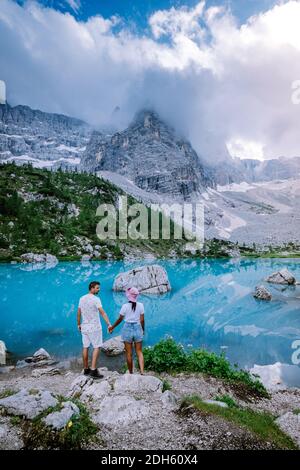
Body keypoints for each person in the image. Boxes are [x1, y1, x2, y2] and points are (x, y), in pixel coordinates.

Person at [77, 281, 112, 379]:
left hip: (84, 327)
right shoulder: (96, 299)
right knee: (96, 347)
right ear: (92, 288)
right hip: (95, 328)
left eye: (99, 288)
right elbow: (102, 313)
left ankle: (85, 369)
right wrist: (109, 324)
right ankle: (93, 370)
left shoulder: (82, 298)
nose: (99, 289)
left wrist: (79, 324)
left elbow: (79, 312)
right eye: (97, 288)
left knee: (85, 347)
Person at [109, 287, 145, 374]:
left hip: (127, 329)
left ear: (128, 296)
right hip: (137, 328)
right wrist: (142, 330)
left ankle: (131, 372)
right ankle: (142, 371)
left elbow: (120, 319)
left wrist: (112, 327)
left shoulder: (125, 306)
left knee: (128, 353)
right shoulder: (141, 305)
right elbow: (142, 320)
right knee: (139, 351)